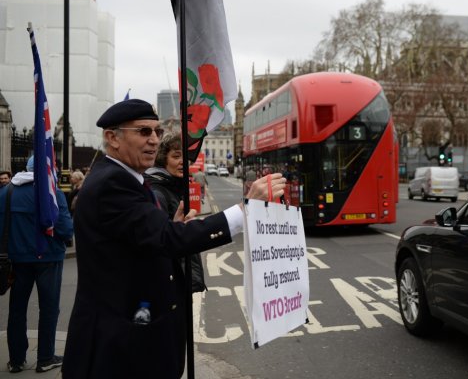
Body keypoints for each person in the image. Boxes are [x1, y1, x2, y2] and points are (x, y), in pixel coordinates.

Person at [61, 99, 285, 379]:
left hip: (137, 336)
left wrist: (170, 227)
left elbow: (146, 237)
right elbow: (168, 239)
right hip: (120, 346)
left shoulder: (130, 178)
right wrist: (244, 211)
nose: (154, 140)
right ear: (112, 138)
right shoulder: (111, 183)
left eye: (156, 131)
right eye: (143, 132)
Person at [0, 157, 74, 373]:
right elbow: (66, 230)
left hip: (17, 259)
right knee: (49, 308)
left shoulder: (7, 192)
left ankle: (16, 359)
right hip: (48, 258)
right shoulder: (52, 192)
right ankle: (45, 357)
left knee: (17, 309)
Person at [145, 131, 206, 292]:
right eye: (176, 156)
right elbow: (159, 241)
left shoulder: (173, 186)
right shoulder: (159, 192)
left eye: (186, 157)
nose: (183, 162)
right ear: (163, 159)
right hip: (170, 282)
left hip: (179, 278)